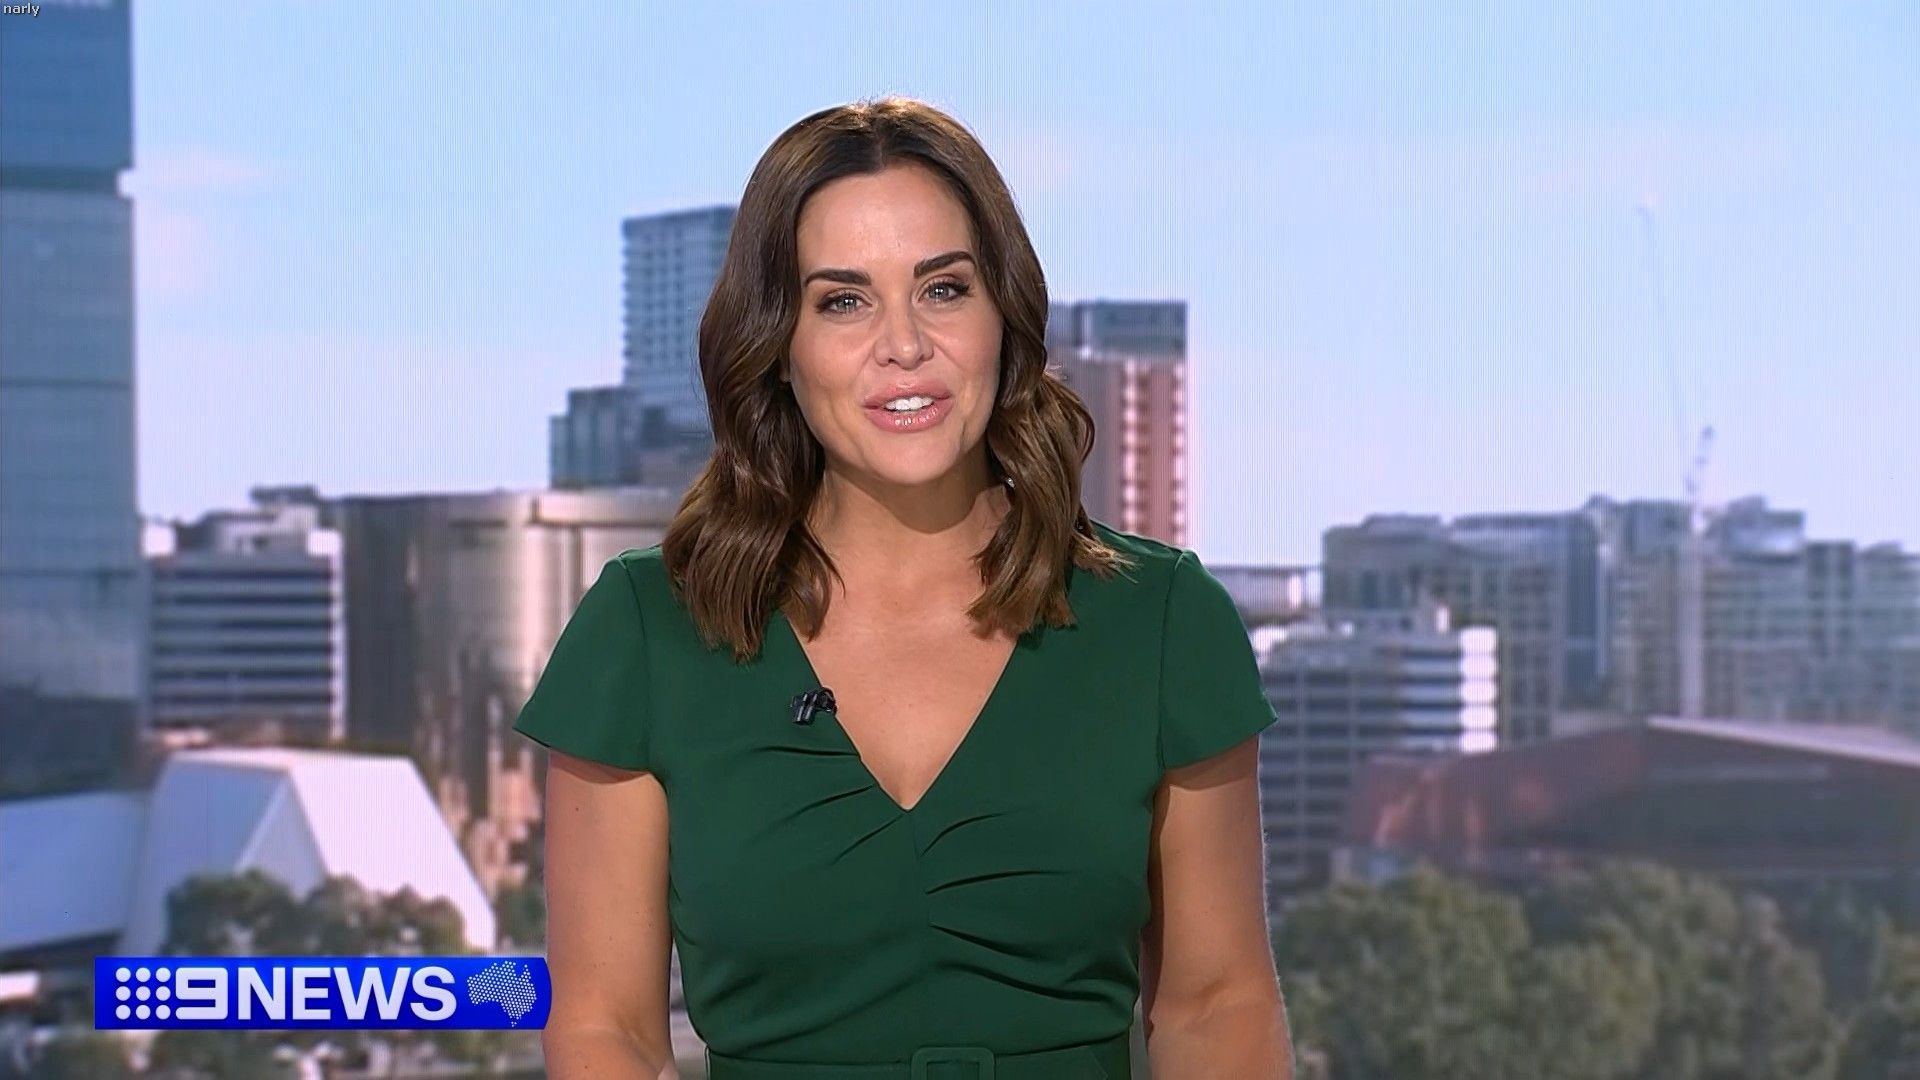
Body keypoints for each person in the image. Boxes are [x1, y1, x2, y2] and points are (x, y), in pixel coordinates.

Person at [514, 95, 1292, 1079]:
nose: (905, 346)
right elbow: (604, 1029)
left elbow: (1217, 1005)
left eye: (944, 289)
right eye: (843, 301)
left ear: (1004, 316)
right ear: (778, 347)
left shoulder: (1161, 621)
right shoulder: (647, 632)